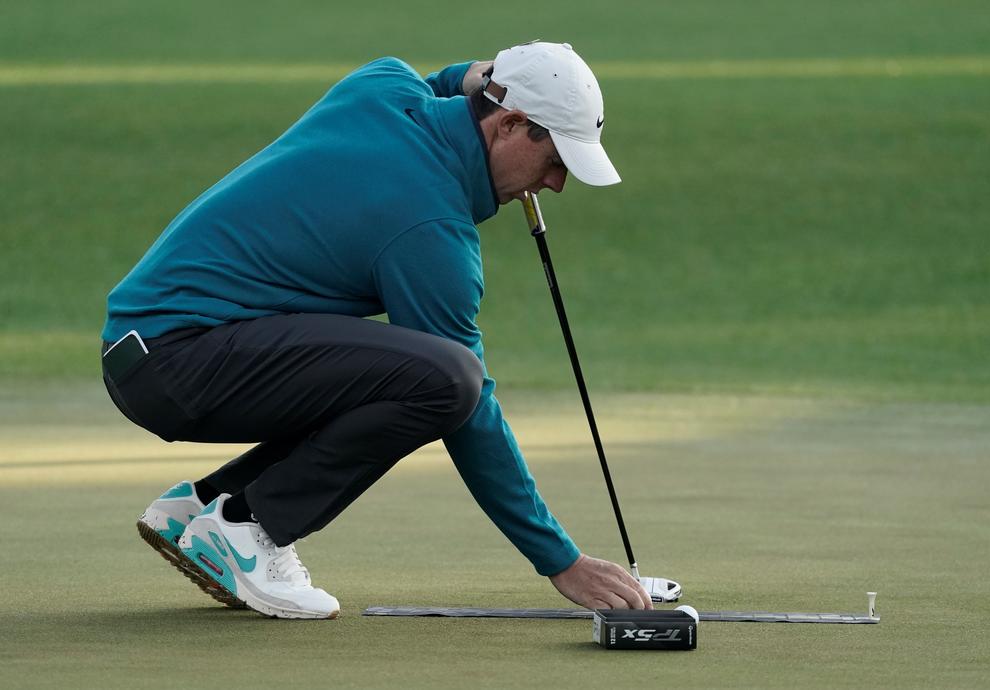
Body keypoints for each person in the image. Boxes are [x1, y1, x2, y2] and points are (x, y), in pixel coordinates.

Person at [101, 40, 653, 619]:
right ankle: (248, 529)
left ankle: (206, 508)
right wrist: (559, 559)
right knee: (448, 380)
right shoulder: (431, 230)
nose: (558, 184)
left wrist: (496, 74)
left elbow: (450, 82)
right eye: (556, 160)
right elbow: (468, 410)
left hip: (147, 350)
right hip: (180, 364)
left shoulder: (384, 85)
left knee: (388, 373)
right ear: (511, 124)